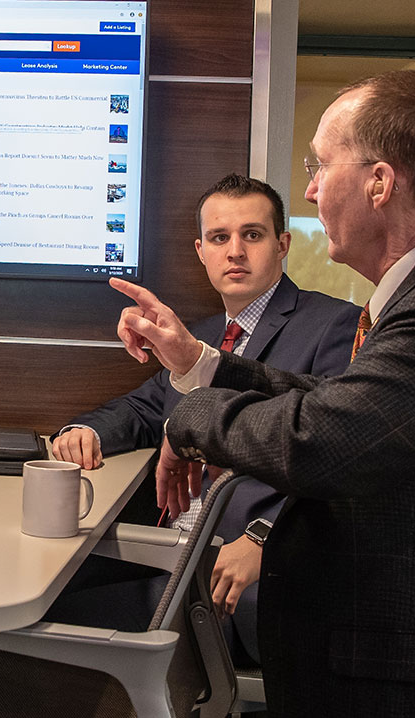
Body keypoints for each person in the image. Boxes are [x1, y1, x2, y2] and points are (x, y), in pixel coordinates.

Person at [113, 70, 415, 716]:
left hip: (404, 671)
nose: (310, 189)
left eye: (320, 164)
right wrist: (200, 366)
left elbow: (324, 439)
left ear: (379, 182)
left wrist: (192, 418)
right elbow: (335, 400)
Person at [49, 173, 360, 664]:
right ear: (201, 251)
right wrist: (81, 432)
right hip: (170, 546)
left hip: (233, 572)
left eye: (252, 235)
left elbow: (342, 454)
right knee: (45, 577)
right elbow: (146, 407)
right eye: (219, 238)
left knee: (39, 618)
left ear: (282, 245)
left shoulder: (334, 325)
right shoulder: (204, 334)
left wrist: (266, 536)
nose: (235, 251)